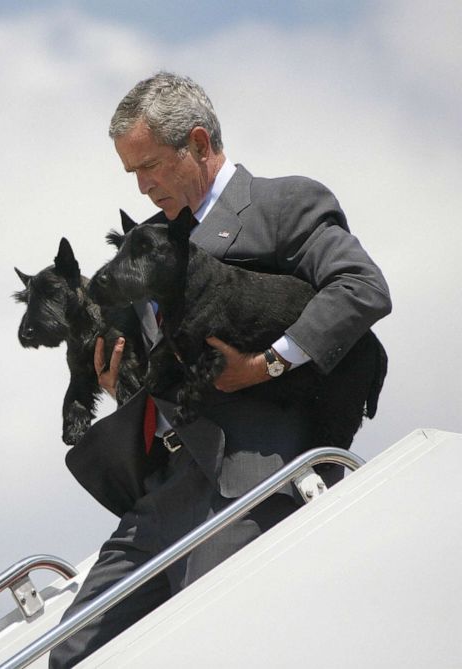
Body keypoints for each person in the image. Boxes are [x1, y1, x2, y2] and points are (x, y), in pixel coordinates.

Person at [48, 72, 392, 668]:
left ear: (200, 144)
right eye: (132, 172)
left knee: (205, 645)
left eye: (150, 165)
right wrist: (119, 383)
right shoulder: (149, 244)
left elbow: (362, 288)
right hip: (165, 490)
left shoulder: (284, 204)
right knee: (68, 653)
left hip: (257, 476)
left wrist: (268, 364)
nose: (142, 183)